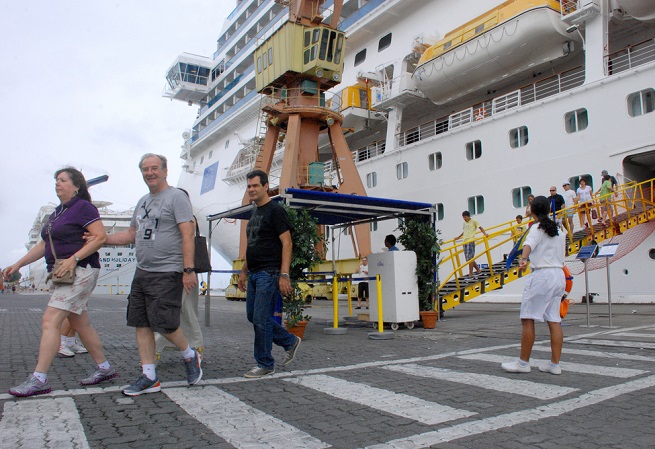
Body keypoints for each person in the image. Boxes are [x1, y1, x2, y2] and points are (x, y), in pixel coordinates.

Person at [4, 167, 118, 397]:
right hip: (62, 274)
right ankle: (104, 368)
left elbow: (100, 237)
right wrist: (18, 264)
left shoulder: (83, 207)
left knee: (50, 320)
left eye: (63, 180)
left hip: (81, 271)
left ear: (76, 186)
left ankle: (39, 378)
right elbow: (44, 245)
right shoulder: (57, 213)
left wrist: (74, 259)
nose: (58, 183)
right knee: (79, 323)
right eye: (56, 180)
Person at [103, 153, 202, 396]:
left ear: (165, 171)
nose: (150, 173)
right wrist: (102, 239)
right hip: (143, 271)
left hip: (168, 270)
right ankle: (149, 376)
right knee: (141, 322)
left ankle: (190, 355)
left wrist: (188, 270)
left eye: (154, 168)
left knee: (165, 324)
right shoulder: (142, 201)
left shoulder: (177, 197)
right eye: (145, 169)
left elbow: (187, 234)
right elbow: (130, 234)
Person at [237, 169, 301, 378]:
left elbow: (287, 242)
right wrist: (243, 271)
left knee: (261, 319)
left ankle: (265, 363)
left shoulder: (275, 210)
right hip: (254, 272)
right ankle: (289, 341)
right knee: (253, 316)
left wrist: (284, 274)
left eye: (255, 185)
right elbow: (253, 245)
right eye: (249, 186)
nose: (251, 189)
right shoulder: (254, 213)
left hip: (269, 272)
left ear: (266, 187)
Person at [501, 195, 566, 375]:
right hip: (558, 274)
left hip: (542, 275)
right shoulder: (560, 230)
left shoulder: (536, 228)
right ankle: (555, 365)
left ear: (533, 210)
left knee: (528, 318)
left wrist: (523, 260)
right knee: (554, 319)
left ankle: (523, 363)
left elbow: (528, 246)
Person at [154, 189, 203, 357]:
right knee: (181, 311)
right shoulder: (182, 218)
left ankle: (193, 347)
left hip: (184, 271)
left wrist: (188, 270)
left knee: (183, 312)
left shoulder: (188, 219)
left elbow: (184, 239)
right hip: (177, 270)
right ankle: (192, 346)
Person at [455, 211, 488, 280]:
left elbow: (480, 228)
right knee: (468, 259)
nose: (464, 219)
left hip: (470, 240)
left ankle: (470, 274)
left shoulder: (474, 221)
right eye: (463, 217)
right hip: (464, 242)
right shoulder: (464, 223)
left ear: (468, 216)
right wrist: (458, 237)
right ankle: (478, 270)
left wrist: (485, 233)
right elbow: (464, 231)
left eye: (465, 217)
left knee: (470, 258)